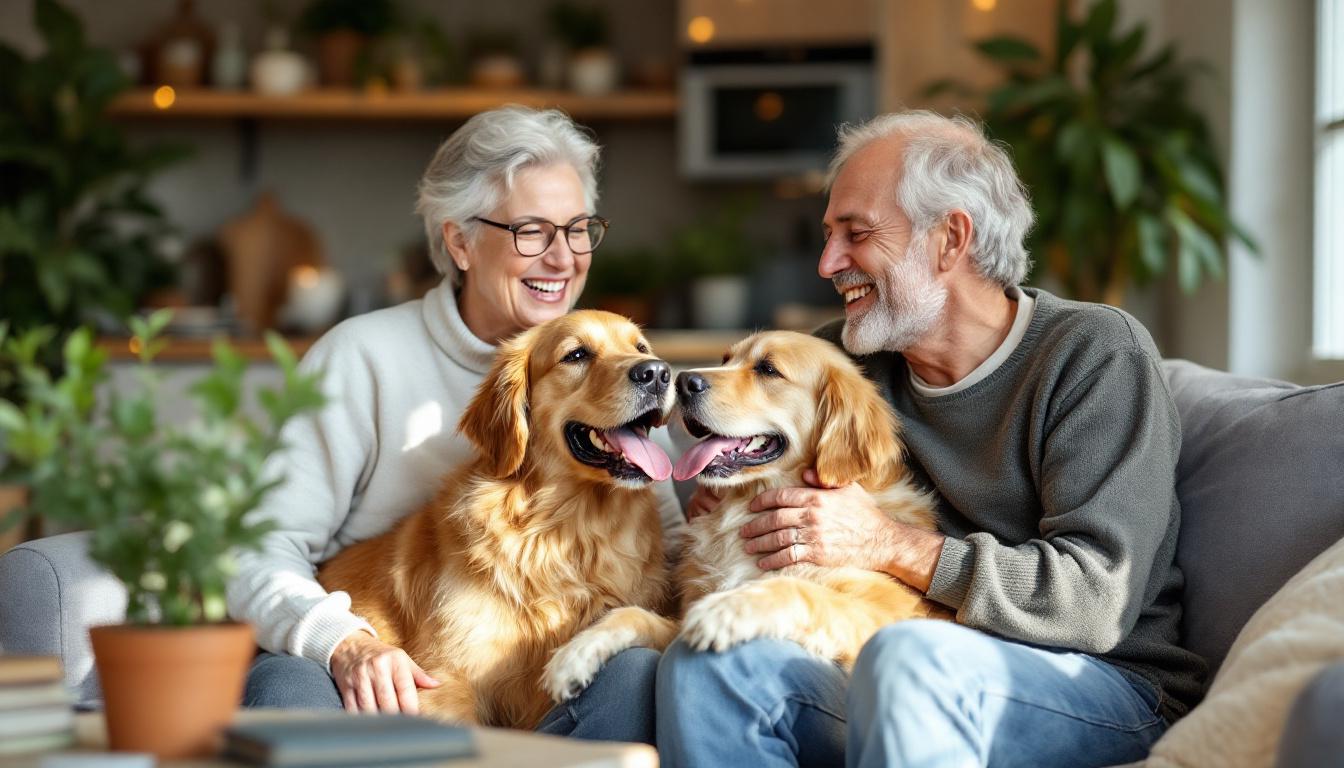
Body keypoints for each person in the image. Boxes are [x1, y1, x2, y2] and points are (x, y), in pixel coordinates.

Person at [657, 110, 1207, 767]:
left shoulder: (1091, 354)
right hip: (902, 660)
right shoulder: (841, 362)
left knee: (910, 656)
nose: (828, 263)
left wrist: (889, 543)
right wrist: (728, 495)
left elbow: (1093, 602)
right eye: (828, 235)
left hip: (1099, 684)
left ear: (950, 239)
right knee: (707, 662)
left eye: (855, 235)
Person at [225, 106, 683, 744]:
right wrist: (346, 646)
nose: (562, 258)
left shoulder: (616, 378)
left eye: (579, 230)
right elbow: (257, 549)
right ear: (460, 241)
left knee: (638, 673)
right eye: (531, 231)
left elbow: (669, 544)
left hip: (546, 688)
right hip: (373, 655)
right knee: (285, 688)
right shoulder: (361, 356)